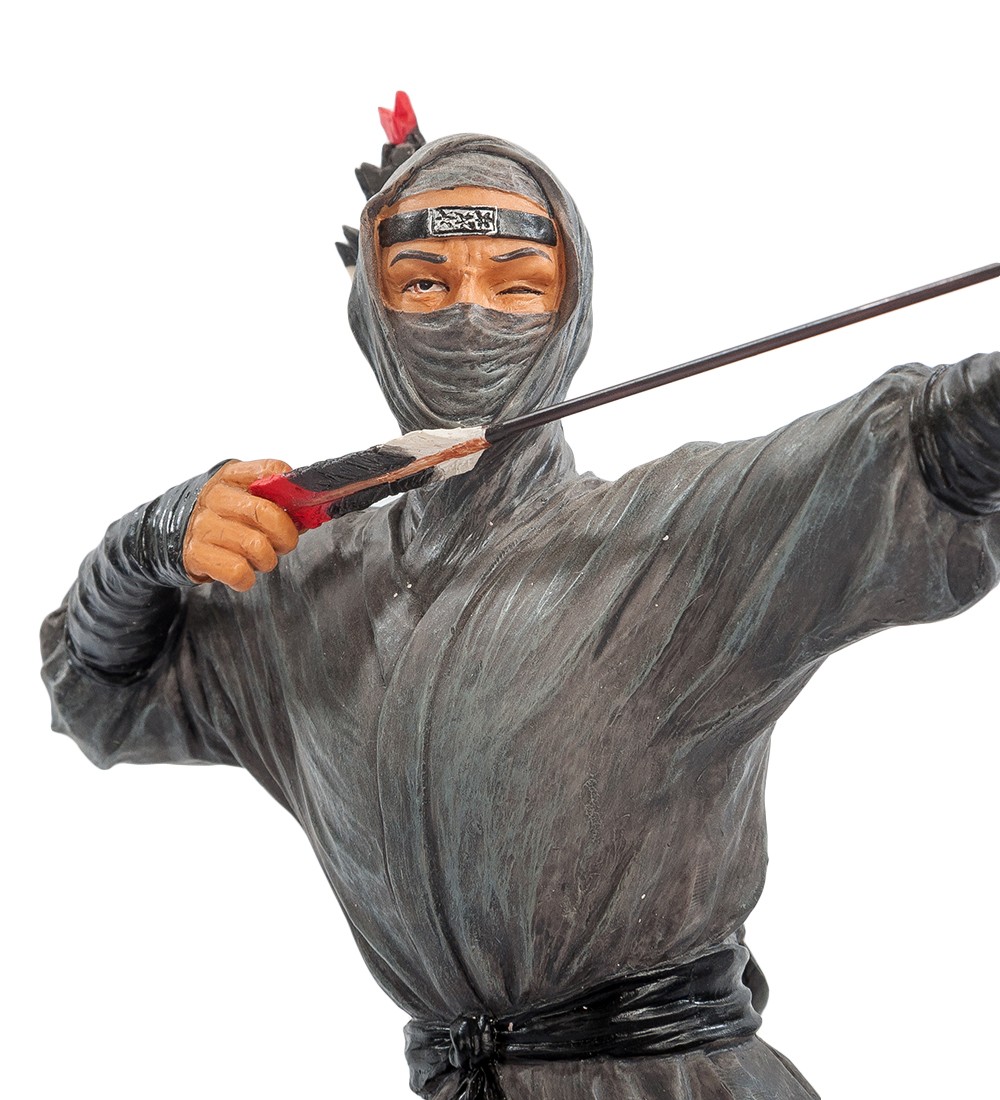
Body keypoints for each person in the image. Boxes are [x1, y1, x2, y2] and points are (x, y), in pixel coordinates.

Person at [41, 130, 1000, 1099]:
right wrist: (142, 550)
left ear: (569, 312)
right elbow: (104, 695)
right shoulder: (302, 595)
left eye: (517, 284)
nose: (468, 312)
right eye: (422, 282)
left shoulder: (675, 536)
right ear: (371, 314)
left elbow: (908, 452)